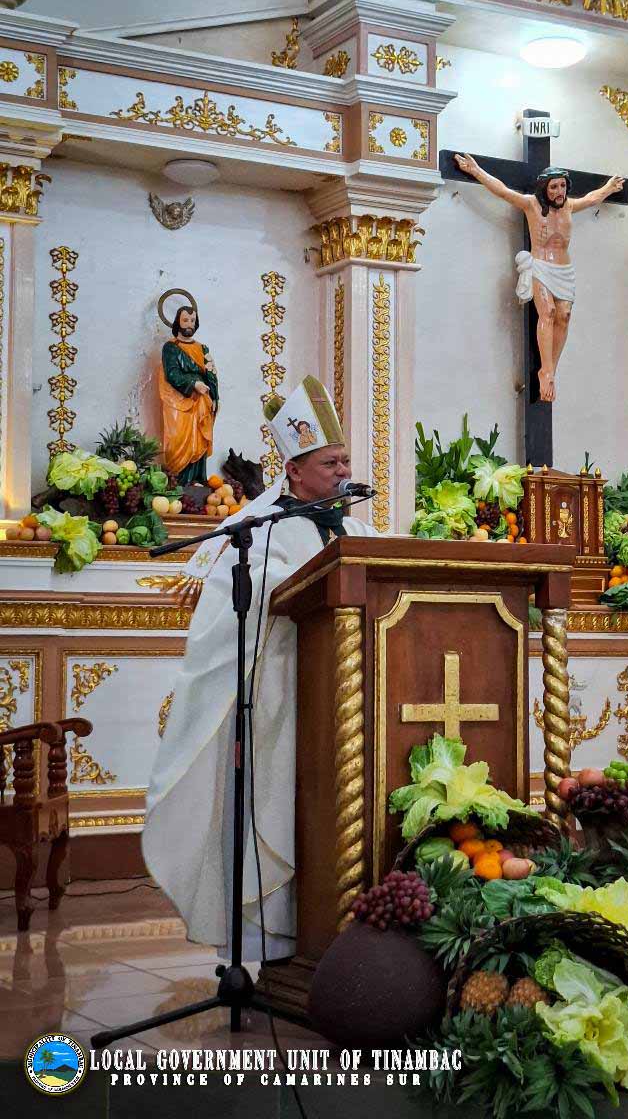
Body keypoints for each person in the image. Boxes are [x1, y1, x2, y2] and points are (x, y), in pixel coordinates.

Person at [143, 376, 379, 959]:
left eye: (345, 460)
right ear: (294, 470)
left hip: (351, 701)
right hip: (283, 697)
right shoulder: (260, 528)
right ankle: (274, 943)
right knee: (281, 806)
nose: (343, 471)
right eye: (331, 462)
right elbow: (232, 609)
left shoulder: (356, 528)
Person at [453, 153, 624, 403]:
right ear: (545, 188)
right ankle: (547, 372)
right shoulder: (531, 204)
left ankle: (550, 369)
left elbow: (591, 198)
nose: (559, 191)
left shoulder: (569, 206)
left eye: (562, 185)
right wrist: (476, 171)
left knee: (564, 315)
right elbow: (502, 191)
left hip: (564, 269)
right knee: (549, 312)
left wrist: (608, 188)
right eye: (554, 186)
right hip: (541, 266)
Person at [159, 303, 219, 485]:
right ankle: (177, 481)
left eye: (192, 320)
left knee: (199, 438)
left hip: (201, 401)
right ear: (177, 322)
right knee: (177, 439)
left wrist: (215, 397)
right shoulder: (170, 347)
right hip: (179, 400)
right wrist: (193, 384)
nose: (189, 324)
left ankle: (197, 481)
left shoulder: (202, 348)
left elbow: (211, 374)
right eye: (185, 320)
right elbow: (171, 373)